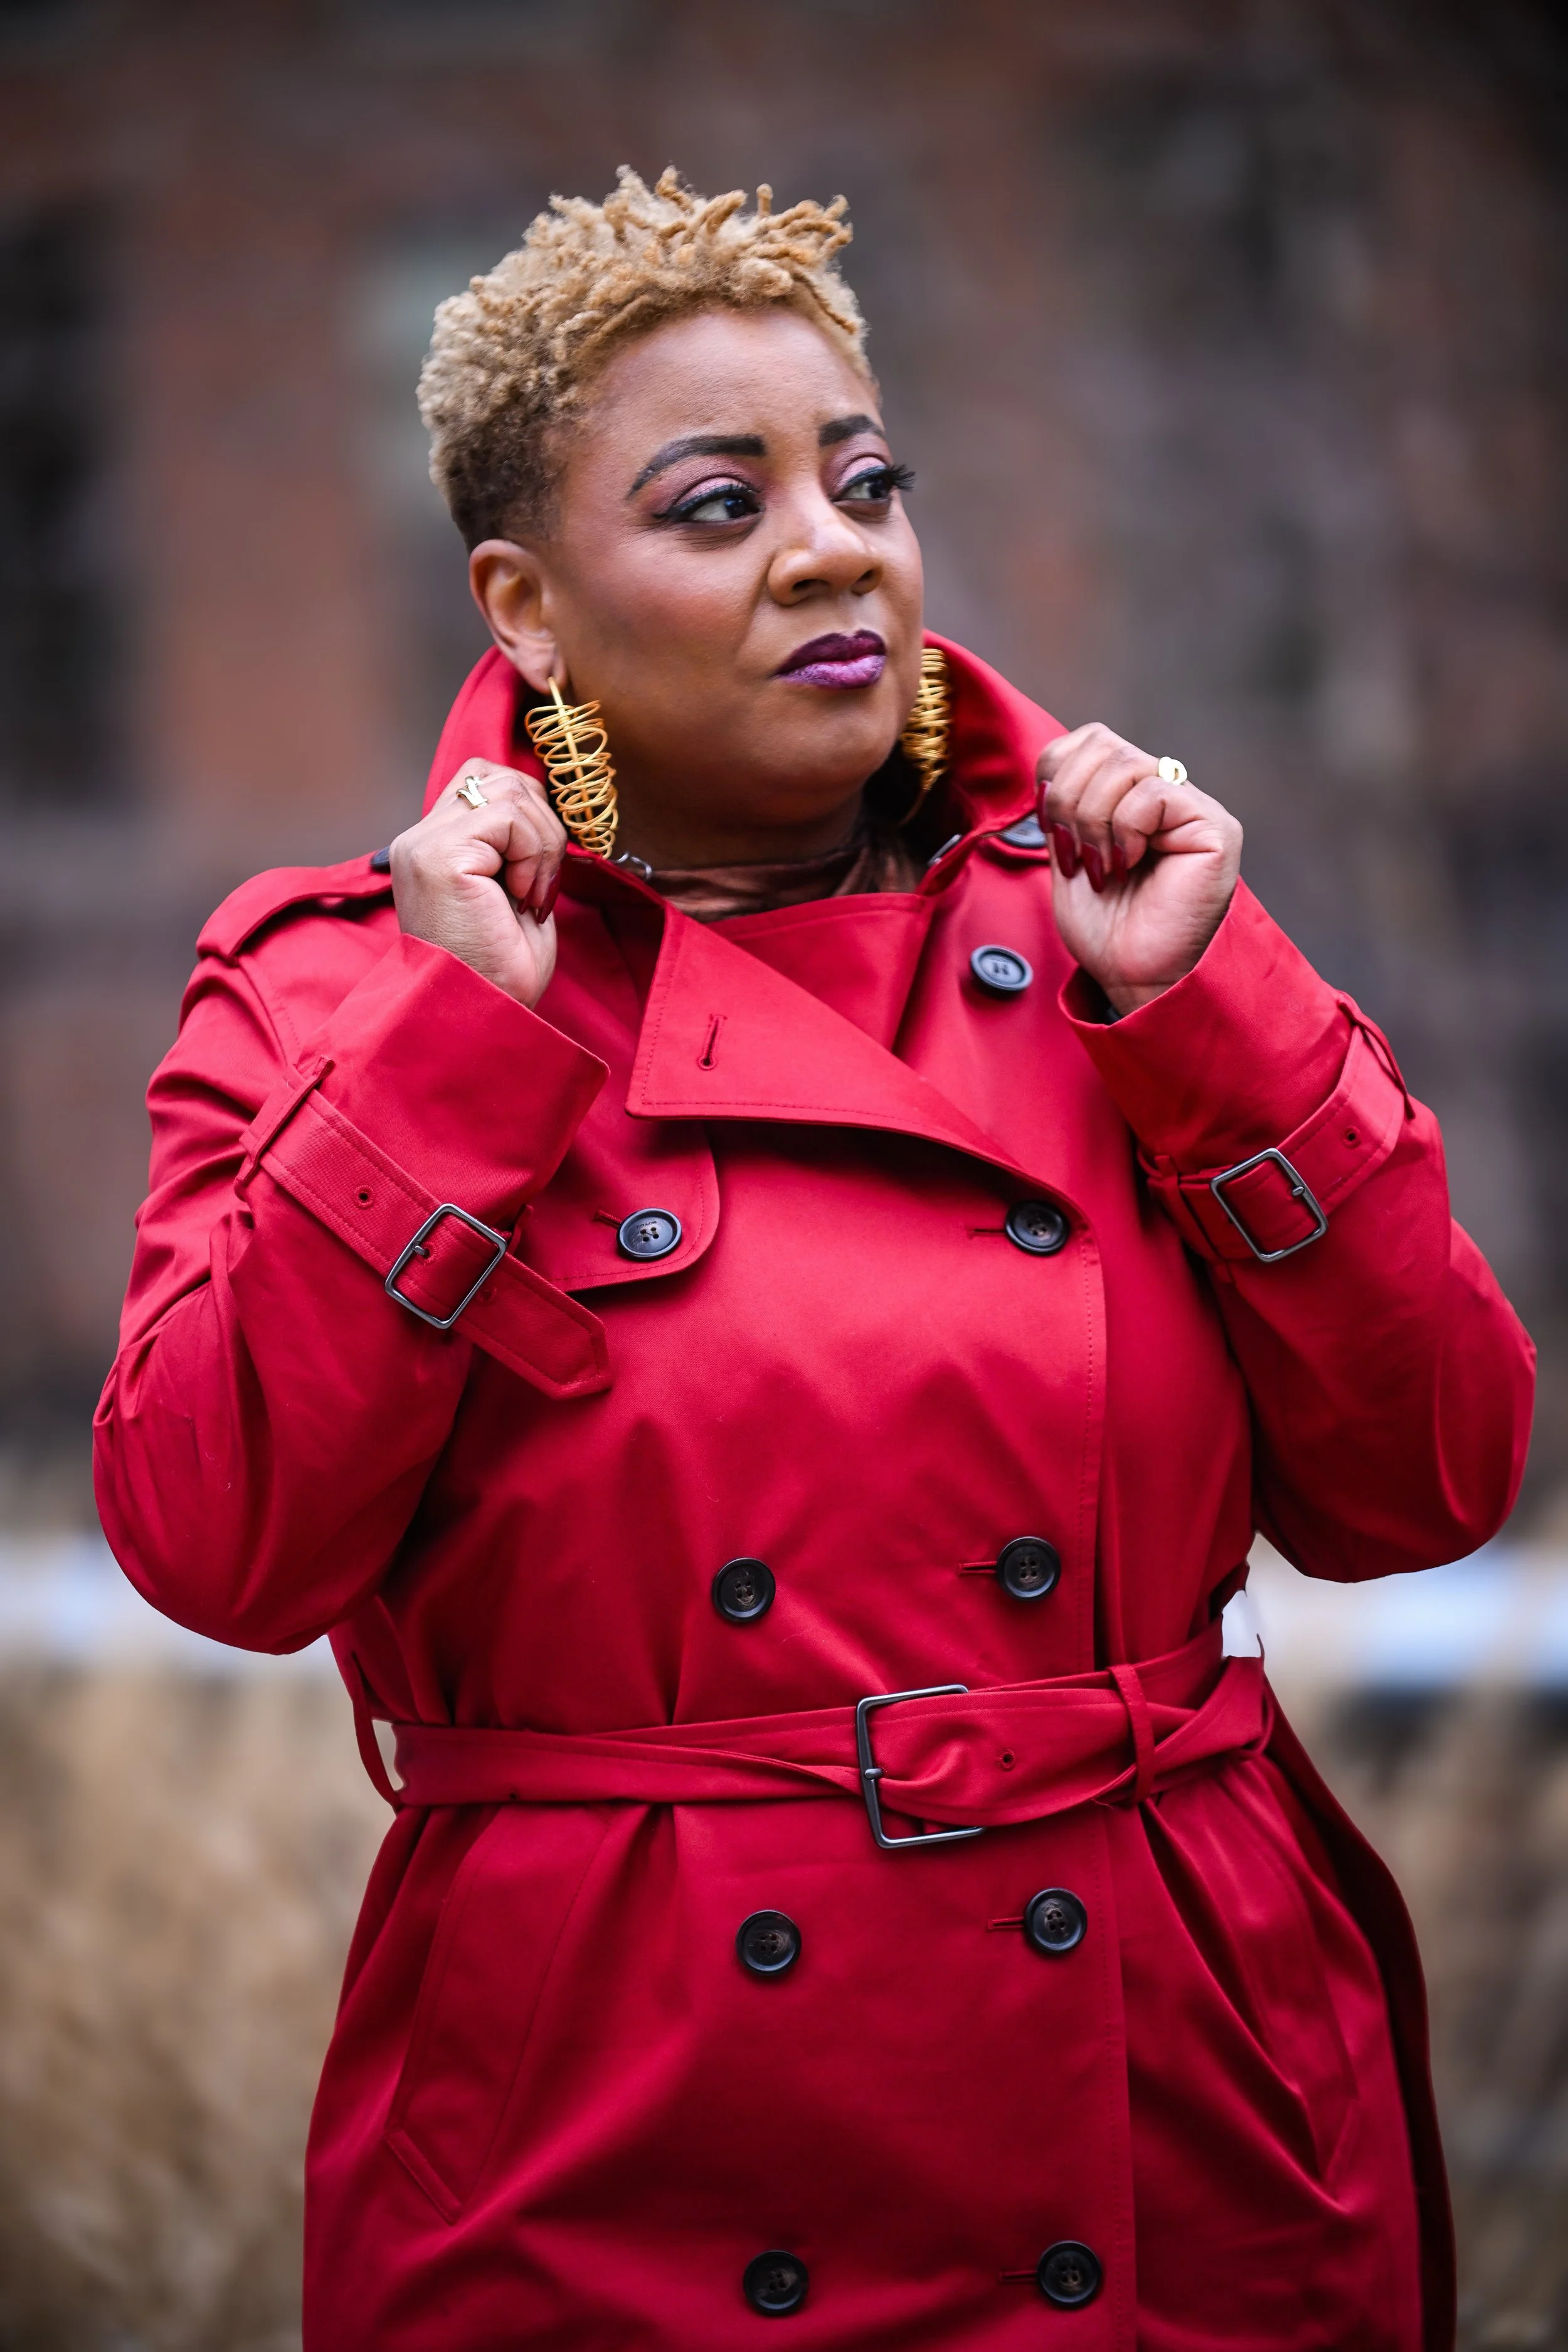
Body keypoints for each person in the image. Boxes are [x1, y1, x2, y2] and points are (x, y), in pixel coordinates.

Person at [95, 168, 1534, 2351]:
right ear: (526, 603)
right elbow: (216, 1541)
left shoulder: (1117, 921)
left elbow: (1428, 1480)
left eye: (867, 479)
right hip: (622, 2143)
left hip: (1172, 2113)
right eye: (714, 503)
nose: (833, 541)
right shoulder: (348, 986)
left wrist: (1211, 1025)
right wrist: (451, 1052)